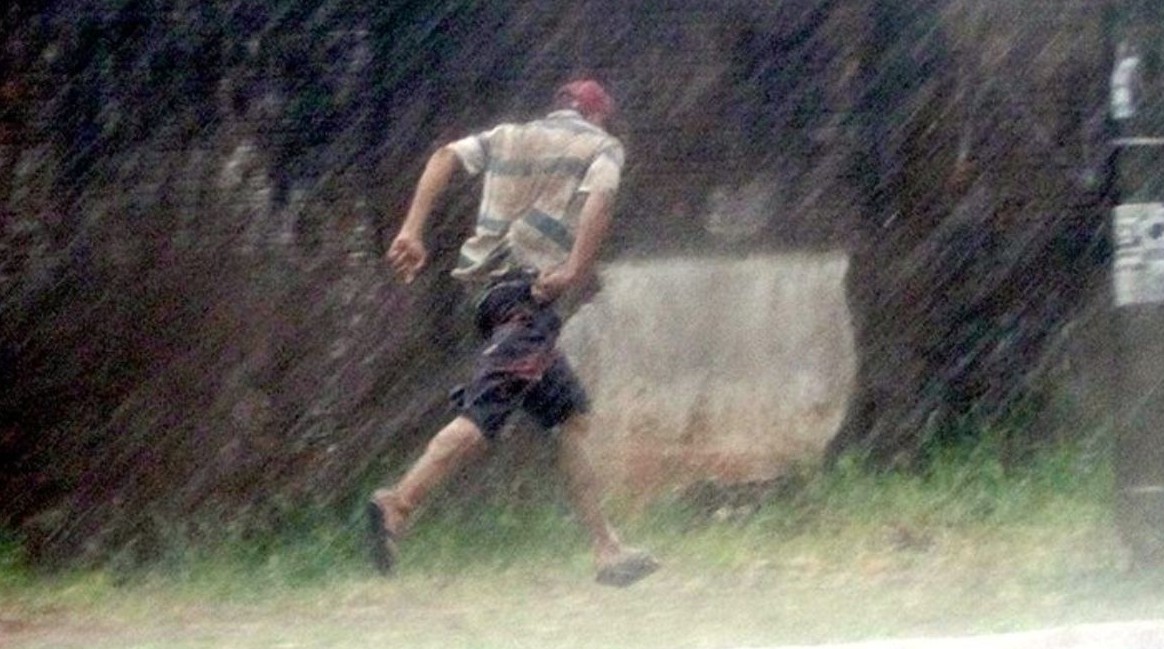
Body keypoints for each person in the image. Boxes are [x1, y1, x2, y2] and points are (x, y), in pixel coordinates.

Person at [367, 79, 659, 587]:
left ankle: (607, 550)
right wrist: (574, 268)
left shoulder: (509, 135)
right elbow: (600, 203)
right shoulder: (602, 146)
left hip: (490, 298)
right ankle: (398, 503)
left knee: (571, 417)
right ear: (598, 117)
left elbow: (443, 157)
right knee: (482, 417)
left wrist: (412, 229)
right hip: (528, 300)